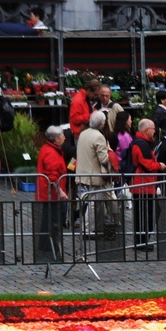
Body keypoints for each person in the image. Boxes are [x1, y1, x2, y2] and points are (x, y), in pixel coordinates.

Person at [75, 110, 116, 239]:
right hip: (94, 177)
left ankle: (88, 228)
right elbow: (103, 159)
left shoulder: (83, 134)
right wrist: (110, 152)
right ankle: (88, 230)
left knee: (85, 203)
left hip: (82, 175)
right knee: (92, 205)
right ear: (102, 124)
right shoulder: (99, 136)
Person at [128, 119, 166, 250]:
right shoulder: (142, 145)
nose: (155, 131)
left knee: (144, 214)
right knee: (148, 214)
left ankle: (141, 241)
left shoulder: (140, 143)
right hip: (143, 185)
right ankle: (141, 242)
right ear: (146, 130)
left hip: (143, 185)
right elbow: (147, 164)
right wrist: (159, 166)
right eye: (153, 128)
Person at [35, 125, 68, 261]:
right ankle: (50, 248)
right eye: (62, 136)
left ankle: (46, 246)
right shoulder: (51, 153)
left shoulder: (49, 149)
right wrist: (60, 192)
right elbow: (52, 177)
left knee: (49, 220)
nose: (64, 138)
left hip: (49, 194)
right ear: (56, 139)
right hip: (51, 195)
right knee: (53, 221)